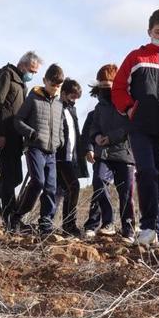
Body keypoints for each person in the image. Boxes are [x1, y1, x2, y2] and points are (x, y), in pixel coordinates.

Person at [113, 8, 159, 248]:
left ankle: (158, 231)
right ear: (149, 31)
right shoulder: (135, 58)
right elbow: (118, 88)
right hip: (141, 127)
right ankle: (146, 228)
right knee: (146, 172)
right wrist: (129, 109)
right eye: (158, 31)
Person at [0, 51, 43, 228]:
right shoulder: (6, 75)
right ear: (23, 65)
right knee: (10, 178)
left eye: (35, 72)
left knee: (15, 178)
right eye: (32, 71)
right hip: (5, 135)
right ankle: (10, 219)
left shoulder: (20, 82)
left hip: (15, 136)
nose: (32, 75)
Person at [82, 64, 136, 243]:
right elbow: (93, 127)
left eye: (108, 85)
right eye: (102, 85)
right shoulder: (99, 107)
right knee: (98, 182)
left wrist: (110, 137)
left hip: (125, 154)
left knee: (126, 192)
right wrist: (96, 137)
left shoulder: (127, 100)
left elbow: (130, 125)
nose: (105, 89)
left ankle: (128, 229)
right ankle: (108, 223)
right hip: (103, 154)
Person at [11, 64, 65, 235]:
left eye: (58, 86)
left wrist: (60, 140)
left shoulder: (59, 104)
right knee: (38, 182)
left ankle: (45, 222)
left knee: (51, 187)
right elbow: (18, 121)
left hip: (52, 151)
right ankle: (18, 215)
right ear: (45, 81)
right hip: (35, 148)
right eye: (53, 84)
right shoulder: (33, 98)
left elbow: (61, 126)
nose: (55, 88)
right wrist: (31, 133)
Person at [54, 78, 88, 237]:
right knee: (72, 187)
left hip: (71, 157)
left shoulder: (72, 110)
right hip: (59, 157)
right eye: (72, 96)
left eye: (76, 98)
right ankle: (68, 224)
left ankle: (66, 224)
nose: (74, 100)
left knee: (66, 190)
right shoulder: (56, 107)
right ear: (63, 93)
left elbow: (76, 133)